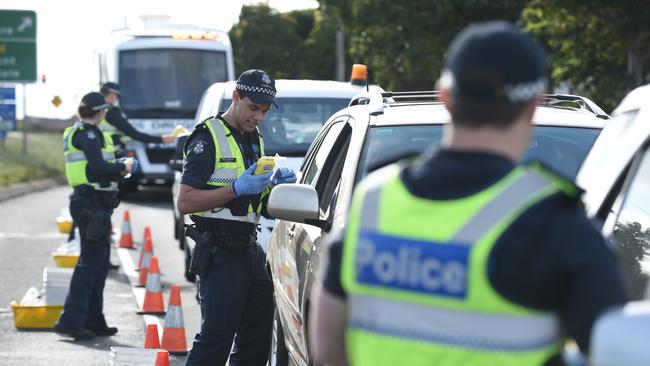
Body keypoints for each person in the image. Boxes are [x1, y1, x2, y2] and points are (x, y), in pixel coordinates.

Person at [311, 21, 627, 366]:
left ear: (445, 96)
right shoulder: (559, 225)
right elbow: (617, 353)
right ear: (532, 105)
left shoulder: (372, 202)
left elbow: (327, 350)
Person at [177, 69, 297, 365]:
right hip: (219, 250)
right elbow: (186, 201)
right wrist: (236, 188)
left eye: (265, 111)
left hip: (249, 249)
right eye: (253, 108)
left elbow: (256, 202)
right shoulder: (208, 138)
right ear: (236, 97)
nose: (257, 117)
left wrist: (275, 190)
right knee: (216, 339)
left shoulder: (254, 139)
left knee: (258, 337)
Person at [54, 92, 133, 340]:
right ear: (100, 112)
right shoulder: (87, 133)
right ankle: (70, 320)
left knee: (98, 264)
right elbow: (98, 167)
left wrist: (117, 166)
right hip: (89, 204)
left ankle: (94, 320)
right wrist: (124, 166)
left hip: (95, 203)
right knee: (90, 265)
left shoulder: (87, 132)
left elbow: (97, 166)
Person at [99, 82, 176, 148]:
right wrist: (161, 139)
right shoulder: (111, 112)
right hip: (107, 155)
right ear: (112, 94)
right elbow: (134, 134)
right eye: (117, 95)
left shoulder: (97, 111)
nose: (117, 98)